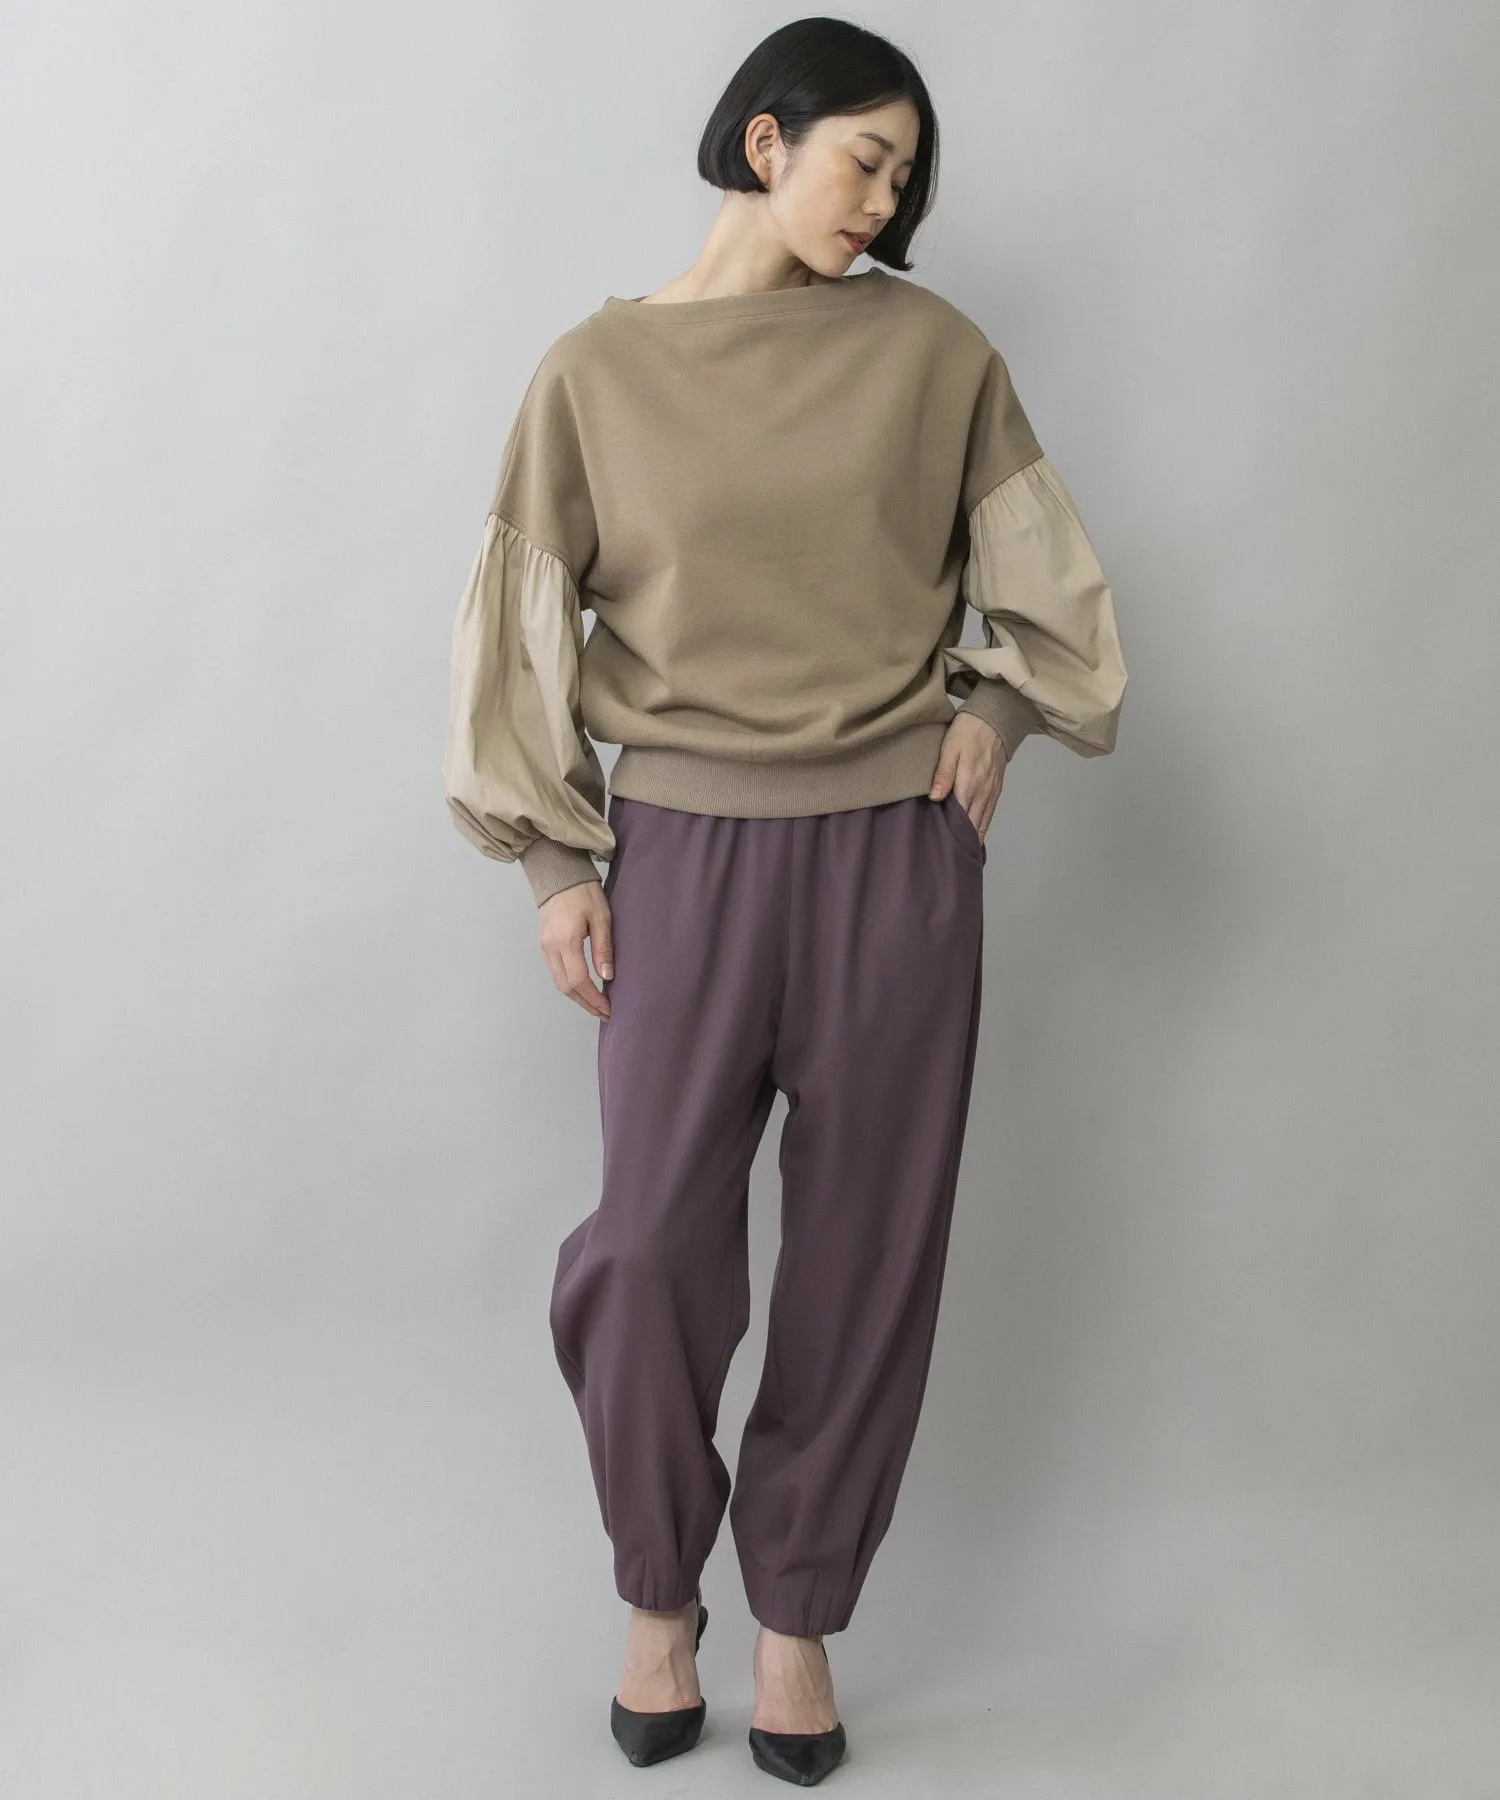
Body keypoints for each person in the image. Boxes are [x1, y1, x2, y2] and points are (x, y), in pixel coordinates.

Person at [442, 16, 1127, 1786]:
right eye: (866, 161)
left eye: (906, 179)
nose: (886, 203)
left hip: (895, 857)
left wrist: (993, 714)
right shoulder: (597, 372)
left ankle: (798, 1621)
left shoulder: (935, 355)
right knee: (649, 1247)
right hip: (681, 855)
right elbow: (520, 632)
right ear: (768, 140)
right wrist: (556, 863)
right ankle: (658, 1595)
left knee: (865, 1256)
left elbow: (1051, 597)